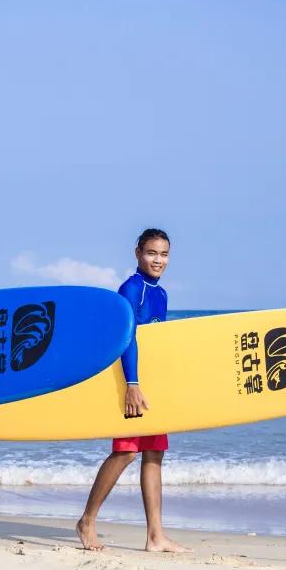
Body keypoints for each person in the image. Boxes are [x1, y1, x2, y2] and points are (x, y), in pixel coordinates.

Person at [76, 229, 190, 553]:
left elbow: (156, 344)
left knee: (154, 454)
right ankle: (87, 520)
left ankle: (156, 535)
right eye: (152, 253)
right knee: (126, 451)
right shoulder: (131, 289)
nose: (158, 260)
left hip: (150, 384)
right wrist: (131, 384)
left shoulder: (162, 294)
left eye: (164, 254)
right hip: (130, 382)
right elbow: (126, 339)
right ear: (137, 253)